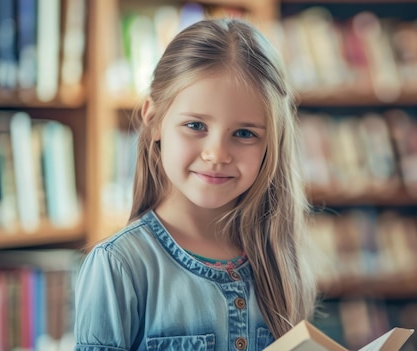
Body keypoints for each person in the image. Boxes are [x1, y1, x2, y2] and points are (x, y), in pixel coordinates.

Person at [74, 18, 317, 351]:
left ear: (271, 143)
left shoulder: (276, 260)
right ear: (154, 121)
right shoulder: (119, 266)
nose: (217, 154)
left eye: (244, 134)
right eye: (195, 125)